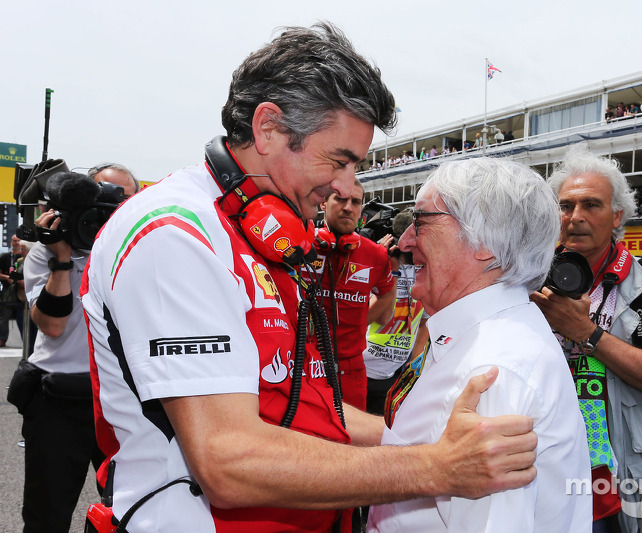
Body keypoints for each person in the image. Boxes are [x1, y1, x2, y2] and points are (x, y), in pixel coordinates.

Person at [82, 24, 538, 532]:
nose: (347, 186)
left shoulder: (268, 229)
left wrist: (429, 435)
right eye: (339, 160)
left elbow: (308, 407)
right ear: (269, 127)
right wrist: (438, 466)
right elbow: (228, 462)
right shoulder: (175, 236)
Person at [368, 158, 591, 532]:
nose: (405, 241)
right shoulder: (490, 338)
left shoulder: (493, 369)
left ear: (483, 241)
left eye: (420, 222)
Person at [531, 144, 642, 532]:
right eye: (566, 206)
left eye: (591, 205)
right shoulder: (528, 275)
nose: (575, 217)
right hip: (540, 464)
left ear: (617, 215)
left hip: (619, 476)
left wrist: (587, 333)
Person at [17, 166, 138, 533]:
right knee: (47, 515)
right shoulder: (47, 252)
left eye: (120, 198)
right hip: (58, 400)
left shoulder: (136, 249)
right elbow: (52, 325)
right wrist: (62, 259)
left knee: (129, 509)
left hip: (119, 400)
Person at [313, 181, 396, 411]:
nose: (348, 207)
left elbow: (387, 297)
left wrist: (361, 322)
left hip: (351, 369)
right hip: (304, 362)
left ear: (360, 211)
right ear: (323, 203)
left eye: (355, 202)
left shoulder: (376, 254)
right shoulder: (301, 244)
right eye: (340, 199)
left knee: (353, 441)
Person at [362, 211, 428, 417]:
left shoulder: (426, 275)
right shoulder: (380, 267)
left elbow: (425, 322)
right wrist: (373, 264)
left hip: (393, 376)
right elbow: (358, 314)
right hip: (357, 370)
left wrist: (412, 368)